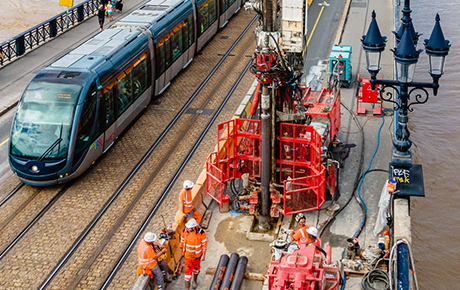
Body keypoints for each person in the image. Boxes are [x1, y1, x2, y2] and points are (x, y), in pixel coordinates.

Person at [180, 218, 207, 290]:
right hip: (187, 256)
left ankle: (194, 280)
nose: (188, 229)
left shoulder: (201, 233)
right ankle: (187, 288)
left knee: (196, 269)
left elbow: (204, 244)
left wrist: (203, 255)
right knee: (187, 272)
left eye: (189, 228)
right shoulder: (185, 231)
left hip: (196, 256)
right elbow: (182, 240)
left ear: (194, 227)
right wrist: (181, 248)